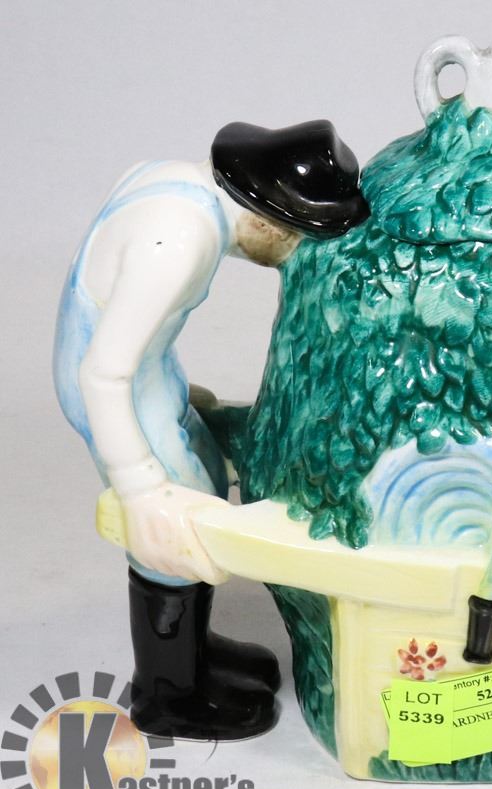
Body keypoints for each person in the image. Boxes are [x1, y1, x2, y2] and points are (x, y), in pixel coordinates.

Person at [53, 120, 368, 740]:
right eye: (298, 236)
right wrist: (140, 487)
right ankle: (168, 691)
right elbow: (103, 371)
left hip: (150, 377)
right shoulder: (182, 238)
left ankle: (194, 652)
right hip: (116, 390)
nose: (291, 253)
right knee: (175, 532)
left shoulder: (175, 180)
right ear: (269, 217)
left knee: (205, 485)